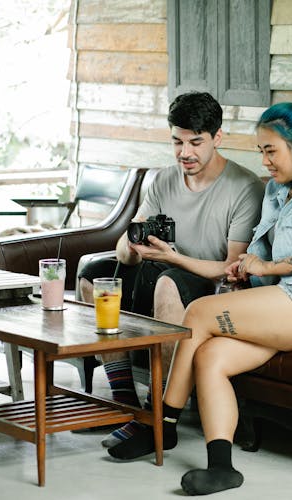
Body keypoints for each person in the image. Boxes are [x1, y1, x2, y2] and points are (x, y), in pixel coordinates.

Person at [106, 100, 292, 496]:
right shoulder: (278, 191)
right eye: (261, 151)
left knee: (199, 313)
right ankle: (221, 467)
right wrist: (246, 266)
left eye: (271, 151)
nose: (265, 161)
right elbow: (263, 256)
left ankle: (162, 424)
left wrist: (266, 268)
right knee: (212, 358)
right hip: (285, 301)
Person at [77, 91, 265, 448]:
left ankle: (157, 416)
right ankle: (124, 404)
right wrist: (131, 249)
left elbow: (231, 269)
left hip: (210, 285)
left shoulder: (244, 187)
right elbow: (130, 238)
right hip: (165, 268)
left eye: (196, 142)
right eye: (177, 142)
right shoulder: (164, 179)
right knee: (95, 276)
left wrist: (174, 259)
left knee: (167, 283)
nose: (185, 153)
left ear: (218, 138)